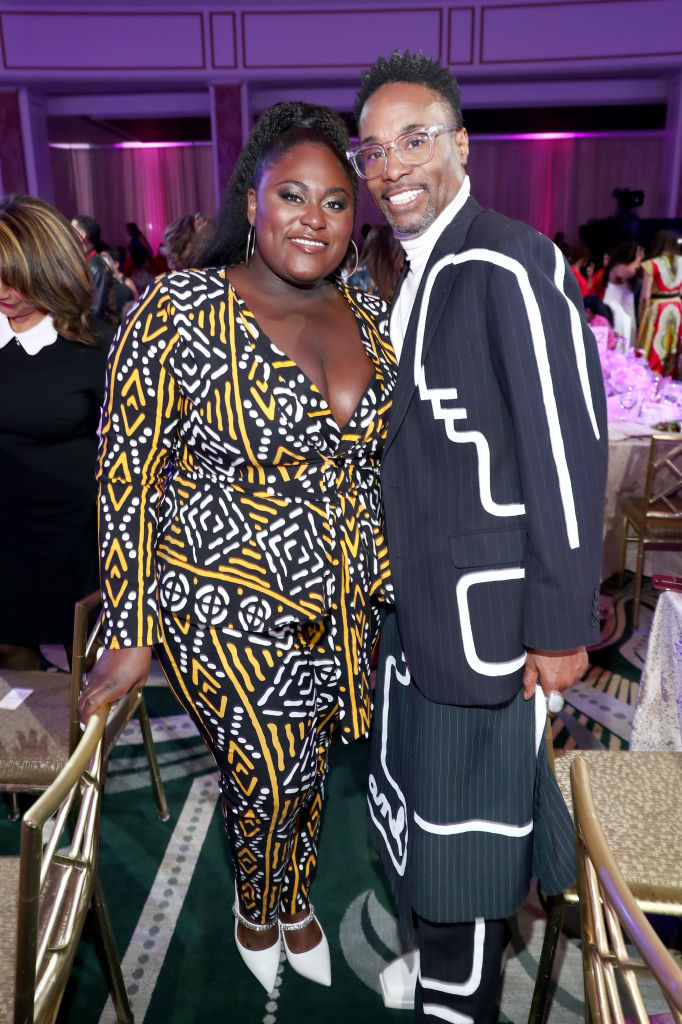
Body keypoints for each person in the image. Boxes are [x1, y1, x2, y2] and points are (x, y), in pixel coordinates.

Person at [76, 101, 396, 995]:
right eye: (291, 194)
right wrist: (134, 628)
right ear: (248, 201)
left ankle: (288, 888)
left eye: (336, 203)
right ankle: (265, 905)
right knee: (267, 772)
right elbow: (127, 475)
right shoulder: (177, 309)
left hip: (343, 607)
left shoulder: (365, 313)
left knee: (308, 769)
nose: (313, 219)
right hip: (222, 596)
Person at [350, 51, 608, 1023]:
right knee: (431, 827)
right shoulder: (415, 272)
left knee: (469, 841)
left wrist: (556, 621)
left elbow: (563, 446)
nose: (391, 165)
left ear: (460, 145)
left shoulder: (504, 257)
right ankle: (447, 973)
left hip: (489, 629)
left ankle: (459, 1006)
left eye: (414, 139)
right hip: (419, 623)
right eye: (373, 150)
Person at [0, 195, 112, 670]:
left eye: (18, 275)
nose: (5, 289)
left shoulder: (96, 346)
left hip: (75, 539)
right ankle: (34, 746)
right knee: (10, 652)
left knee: (86, 665)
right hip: (5, 536)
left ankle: (89, 747)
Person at [637, 229, 682, 376]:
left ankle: (652, 379)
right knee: (672, 346)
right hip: (677, 306)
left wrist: (641, 315)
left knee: (653, 347)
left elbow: (645, 295)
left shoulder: (652, 264)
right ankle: (670, 378)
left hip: (658, 308)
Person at [71, 213, 116, 322]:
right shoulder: (85, 262)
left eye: (71, 230)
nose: (68, 234)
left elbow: (96, 311)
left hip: (97, 333)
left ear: (82, 235)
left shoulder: (96, 266)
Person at [601, 240, 642, 347]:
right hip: (615, 309)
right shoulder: (615, 268)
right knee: (617, 340)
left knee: (629, 338)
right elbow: (629, 272)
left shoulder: (633, 268)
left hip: (627, 311)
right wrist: (638, 259)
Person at [349, 223, 404, 301]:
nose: (403, 257)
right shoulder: (362, 275)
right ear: (389, 252)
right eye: (400, 252)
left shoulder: (396, 275)